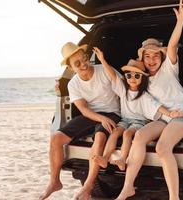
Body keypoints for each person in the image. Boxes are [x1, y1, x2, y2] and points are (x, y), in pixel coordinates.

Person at [116, 0, 183, 200]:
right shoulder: (141, 81)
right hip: (164, 117)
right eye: (147, 57)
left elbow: (172, 45)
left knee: (162, 148)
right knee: (140, 136)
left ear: (161, 58)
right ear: (142, 59)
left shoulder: (169, 69)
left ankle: (173, 197)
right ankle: (128, 187)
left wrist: (180, 21)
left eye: (155, 56)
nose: (152, 60)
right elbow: (118, 83)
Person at [39, 42, 121, 200]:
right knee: (56, 138)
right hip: (92, 114)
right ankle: (54, 181)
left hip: (113, 112)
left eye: (84, 59)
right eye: (77, 63)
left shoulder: (104, 69)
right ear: (71, 68)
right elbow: (83, 110)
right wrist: (100, 118)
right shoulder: (73, 83)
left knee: (100, 137)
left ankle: (88, 186)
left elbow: (123, 86)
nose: (83, 64)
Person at [92, 47, 183, 171]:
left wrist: (170, 113)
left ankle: (123, 159)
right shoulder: (123, 90)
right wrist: (102, 60)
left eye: (137, 75)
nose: (132, 78)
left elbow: (157, 106)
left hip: (139, 122)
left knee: (127, 134)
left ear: (142, 78)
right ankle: (105, 158)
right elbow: (112, 75)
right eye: (129, 75)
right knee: (114, 134)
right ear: (125, 78)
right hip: (125, 120)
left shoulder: (144, 95)